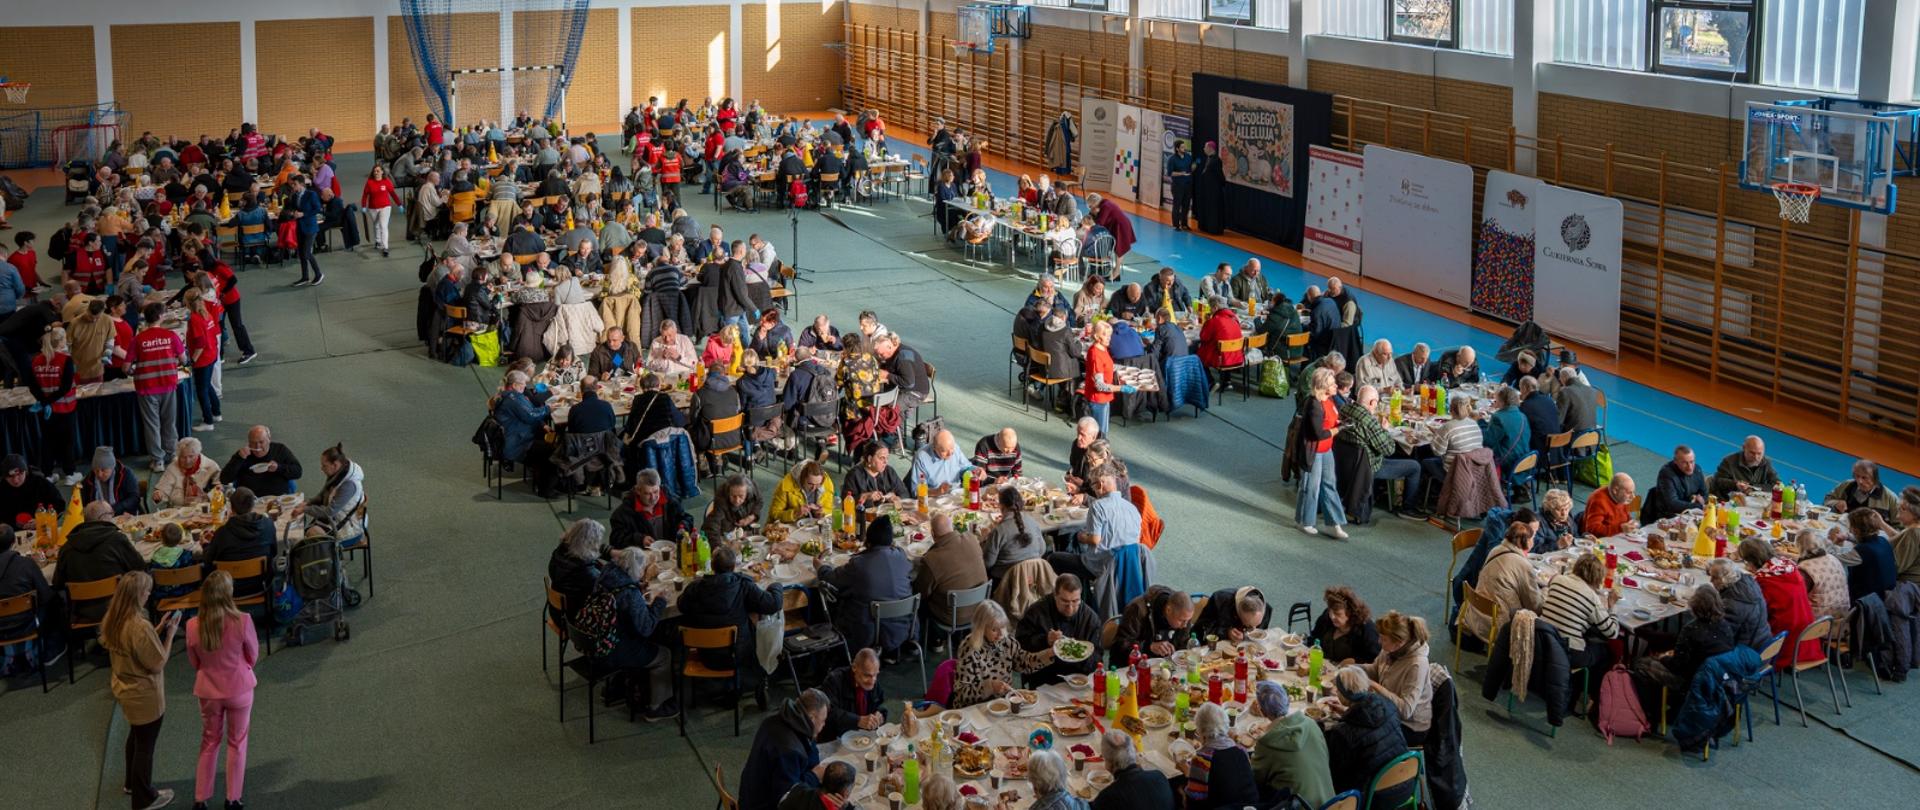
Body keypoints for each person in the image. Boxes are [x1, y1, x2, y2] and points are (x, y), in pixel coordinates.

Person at [100, 572, 179, 810]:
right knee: (146, 747)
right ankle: (144, 798)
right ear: (136, 596)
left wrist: (159, 627)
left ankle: (131, 784)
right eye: (146, 591)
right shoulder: (139, 626)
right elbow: (157, 662)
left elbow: (134, 646)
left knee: (136, 738)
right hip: (144, 693)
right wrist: (171, 634)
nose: (149, 594)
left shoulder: (114, 618)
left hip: (125, 689)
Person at [186, 572, 258, 810]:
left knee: (209, 741)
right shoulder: (243, 620)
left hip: (208, 691)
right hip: (239, 688)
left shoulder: (192, 625)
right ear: (229, 594)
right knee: (237, 742)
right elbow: (253, 655)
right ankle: (232, 798)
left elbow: (194, 662)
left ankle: (200, 799)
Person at [678, 544, 782, 682]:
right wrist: (776, 586)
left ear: (713, 566)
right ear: (733, 567)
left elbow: (681, 606)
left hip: (705, 655)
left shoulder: (695, 588)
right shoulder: (743, 585)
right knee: (754, 617)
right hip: (738, 655)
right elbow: (773, 605)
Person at [1631, 588, 1736, 713]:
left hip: (1691, 680)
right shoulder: (1725, 626)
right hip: (1717, 677)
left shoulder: (1692, 629)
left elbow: (1677, 665)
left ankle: (1650, 710)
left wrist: (1663, 657)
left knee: (1641, 664)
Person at [821, 519, 914, 657]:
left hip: (864, 634)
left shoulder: (859, 565)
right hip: (901, 629)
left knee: (833, 598)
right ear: (891, 541)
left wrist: (820, 566)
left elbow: (832, 580)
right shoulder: (901, 556)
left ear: (867, 541)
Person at [950, 599, 1055, 707]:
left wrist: (1048, 654)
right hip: (975, 708)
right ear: (981, 628)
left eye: (1003, 627)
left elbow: (1024, 662)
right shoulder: (969, 650)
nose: (1001, 634)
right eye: (994, 629)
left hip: (1002, 704)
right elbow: (962, 694)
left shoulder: (1006, 642)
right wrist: (990, 687)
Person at [1323, 666, 1409, 796]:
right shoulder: (1388, 705)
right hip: (1405, 782)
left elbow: (1335, 774)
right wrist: (1347, 712)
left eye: (1337, 690)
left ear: (1343, 695)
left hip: (1372, 797)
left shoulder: (1343, 733)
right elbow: (1371, 723)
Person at [737, 689, 829, 810]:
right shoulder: (789, 750)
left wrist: (812, 736)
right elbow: (788, 799)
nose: (824, 725)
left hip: (750, 794)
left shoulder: (775, 719)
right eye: (823, 720)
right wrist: (814, 776)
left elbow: (809, 755)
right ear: (811, 718)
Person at [1248, 681, 1335, 808]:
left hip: (1299, 806)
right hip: (1332, 803)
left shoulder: (1267, 744)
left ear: (1262, 711)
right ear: (1288, 701)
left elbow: (1256, 779)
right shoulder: (1310, 723)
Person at [1736, 538, 1820, 666]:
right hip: (1804, 629)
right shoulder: (1788, 566)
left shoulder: (1763, 581)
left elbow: (1757, 612)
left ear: (1752, 562)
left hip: (1783, 639)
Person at [1540, 554, 1622, 677]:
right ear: (1597, 578)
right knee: (1605, 651)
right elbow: (1612, 632)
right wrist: (1612, 607)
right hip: (1567, 651)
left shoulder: (1557, 579)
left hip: (1542, 640)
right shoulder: (1591, 597)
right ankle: (1588, 692)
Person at [1015, 574, 1103, 685]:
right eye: (1065, 601)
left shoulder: (1090, 618)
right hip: (1045, 677)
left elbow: (1098, 657)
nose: (1070, 608)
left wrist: (1083, 655)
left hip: (1078, 677)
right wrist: (1045, 640)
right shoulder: (1036, 612)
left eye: (1075, 601)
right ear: (1055, 595)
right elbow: (1020, 646)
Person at [132, 302, 187, 473]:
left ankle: (158, 461)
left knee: (152, 425)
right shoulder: (170, 336)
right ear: (160, 317)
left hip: (147, 388)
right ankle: (172, 455)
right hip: (168, 385)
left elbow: (126, 367)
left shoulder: (138, 339)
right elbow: (184, 359)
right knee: (169, 422)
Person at [1463, 521, 1541, 641]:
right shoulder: (1523, 564)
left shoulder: (1496, 550)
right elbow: (1534, 605)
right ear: (1523, 541)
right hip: (1498, 625)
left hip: (1475, 614)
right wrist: (1547, 591)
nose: (1533, 541)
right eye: (1532, 537)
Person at [1296, 368, 1349, 538]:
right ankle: (1305, 521)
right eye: (1333, 384)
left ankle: (1334, 523)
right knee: (1311, 487)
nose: (1336, 386)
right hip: (1314, 451)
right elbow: (1317, 433)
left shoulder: (1329, 400)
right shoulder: (1313, 404)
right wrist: (1337, 430)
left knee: (1329, 484)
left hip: (1326, 450)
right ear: (1324, 387)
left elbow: (1331, 419)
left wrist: (1339, 422)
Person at [914, 513, 989, 631]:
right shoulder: (972, 539)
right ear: (952, 528)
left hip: (952, 617)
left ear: (932, 534)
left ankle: (936, 640)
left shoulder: (932, 559)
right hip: (981, 608)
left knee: (921, 604)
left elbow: (921, 593)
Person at [1184, 702, 1259, 810]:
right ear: (1226, 725)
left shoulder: (1202, 759)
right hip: (1252, 807)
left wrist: (1187, 773)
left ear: (1200, 732)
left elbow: (1194, 802)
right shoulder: (1241, 750)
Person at [206, 488, 276, 597]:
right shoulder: (268, 524)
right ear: (253, 505)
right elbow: (274, 552)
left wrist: (206, 545)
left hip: (228, 589)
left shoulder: (222, 533)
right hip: (262, 584)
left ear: (232, 509)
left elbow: (208, 561)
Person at [1109, 586, 1194, 665]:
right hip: (1133, 666)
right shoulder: (1137, 610)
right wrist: (1149, 646)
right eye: (1181, 620)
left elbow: (1183, 646)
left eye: (1188, 620)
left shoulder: (1184, 613)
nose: (1185, 626)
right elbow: (1119, 645)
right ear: (1168, 610)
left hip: (1164, 666)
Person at [817, 648, 887, 741]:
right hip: (837, 738)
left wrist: (880, 714)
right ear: (854, 667)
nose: (872, 681)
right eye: (867, 675)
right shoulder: (834, 681)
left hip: (863, 738)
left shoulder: (872, 680)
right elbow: (829, 713)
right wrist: (858, 720)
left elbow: (880, 703)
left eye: (876, 675)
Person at [982, 486, 1047, 580]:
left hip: (1005, 581)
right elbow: (1042, 550)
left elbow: (987, 564)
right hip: (1031, 577)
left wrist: (985, 540)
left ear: (1001, 506)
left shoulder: (998, 531)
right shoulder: (1032, 521)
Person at [609, 470, 685, 549]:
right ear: (638, 490)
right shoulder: (623, 513)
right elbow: (616, 539)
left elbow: (685, 518)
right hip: (644, 556)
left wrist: (683, 527)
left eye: (656, 491)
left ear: (659, 487)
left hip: (670, 551)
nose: (653, 498)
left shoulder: (671, 502)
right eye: (647, 493)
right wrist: (639, 539)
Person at [220, 425, 303, 495]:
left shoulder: (280, 450)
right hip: (250, 502)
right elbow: (224, 479)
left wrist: (279, 468)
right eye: (253, 443)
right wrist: (238, 459)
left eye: (261, 442)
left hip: (277, 499)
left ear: (269, 439)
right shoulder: (243, 455)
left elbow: (298, 472)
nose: (257, 447)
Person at [1307, 586, 1380, 666]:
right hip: (1320, 664)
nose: (1332, 616)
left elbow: (1374, 659)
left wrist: (1355, 661)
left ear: (1351, 612)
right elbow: (1314, 636)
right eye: (1330, 611)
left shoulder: (1367, 629)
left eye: (1337, 614)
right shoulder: (1326, 616)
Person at [1795, 529, 1852, 623]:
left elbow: (1799, 597)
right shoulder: (1833, 558)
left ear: (1799, 547)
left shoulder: (1804, 569)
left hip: (1818, 624)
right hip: (1842, 618)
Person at [1642, 445, 1708, 523]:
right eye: (1684, 463)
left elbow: (1704, 493)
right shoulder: (1666, 474)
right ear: (1675, 461)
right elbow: (1672, 504)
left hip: (1689, 513)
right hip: (1668, 517)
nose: (1690, 467)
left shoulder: (1697, 470)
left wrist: (1702, 499)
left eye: (1692, 461)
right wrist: (1698, 506)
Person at [1845, 508, 1898, 600]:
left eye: (1851, 527)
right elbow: (1869, 542)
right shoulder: (1883, 540)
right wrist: (1848, 537)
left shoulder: (1861, 552)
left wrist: (1830, 545)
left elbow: (1835, 559)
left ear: (1855, 530)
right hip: (1888, 593)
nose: (1849, 529)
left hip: (1868, 600)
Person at [154, 437, 221, 508]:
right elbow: (163, 489)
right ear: (178, 456)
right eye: (183, 457)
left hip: (203, 508)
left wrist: (208, 496)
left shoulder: (210, 466)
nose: (187, 461)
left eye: (191, 456)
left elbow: (221, 487)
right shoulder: (173, 467)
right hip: (177, 510)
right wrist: (159, 495)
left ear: (198, 454)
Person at [0, 454, 64, 527]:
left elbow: (60, 505)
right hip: (13, 532)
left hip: (42, 527)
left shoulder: (40, 482)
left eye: (19, 474)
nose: (15, 480)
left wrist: (43, 520)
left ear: (25, 471)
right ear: (4, 477)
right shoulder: (2, 488)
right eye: (10, 477)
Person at [1710, 435, 1781, 499]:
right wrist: (1735, 484)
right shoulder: (1729, 461)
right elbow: (1718, 481)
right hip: (1730, 501)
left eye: (1759, 454)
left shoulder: (1766, 463)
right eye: (1752, 453)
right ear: (1744, 448)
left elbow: (1777, 484)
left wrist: (1753, 487)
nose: (1756, 457)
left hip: (1754, 501)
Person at [842, 439, 910, 505]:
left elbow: (904, 493)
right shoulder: (854, 475)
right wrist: (865, 497)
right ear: (870, 459)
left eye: (887, 458)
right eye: (882, 458)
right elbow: (845, 502)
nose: (886, 462)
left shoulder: (889, 471)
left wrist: (897, 498)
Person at [1194, 586, 1270, 643]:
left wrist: (1245, 635)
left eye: (1257, 624)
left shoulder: (1266, 608)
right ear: (1239, 612)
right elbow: (1200, 630)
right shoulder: (1219, 600)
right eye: (1249, 626)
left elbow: (1260, 636)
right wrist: (1226, 632)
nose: (1254, 629)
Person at [1825, 459, 1898, 517]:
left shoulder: (1890, 498)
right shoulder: (1847, 485)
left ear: (1875, 479)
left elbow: (1901, 528)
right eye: (1857, 476)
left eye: (1864, 478)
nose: (1860, 481)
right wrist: (1836, 503)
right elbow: (1827, 499)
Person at [1481, 386, 1531, 472]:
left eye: (1496, 400)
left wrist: (1480, 421)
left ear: (1502, 401)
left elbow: (1487, 441)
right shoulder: (1523, 416)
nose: (1495, 402)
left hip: (1507, 462)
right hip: (1524, 459)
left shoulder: (1498, 417)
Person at [769, 460, 834, 524]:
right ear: (802, 479)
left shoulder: (827, 483)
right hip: (789, 525)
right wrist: (795, 513)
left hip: (813, 526)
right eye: (810, 483)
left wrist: (821, 513)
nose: (814, 488)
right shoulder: (786, 484)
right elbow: (774, 514)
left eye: (818, 484)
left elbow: (830, 510)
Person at [910, 430, 974, 494]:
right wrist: (936, 492)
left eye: (952, 448)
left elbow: (966, 467)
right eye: (944, 451)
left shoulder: (955, 448)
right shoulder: (921, 457)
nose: (950, 453)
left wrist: (975, 471)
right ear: (934, 448)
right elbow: (916, 491)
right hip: (934, 498)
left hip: (957, 493)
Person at [702, 473, 763, 538]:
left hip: (745, 526)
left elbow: (759, 502)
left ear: (747, 492)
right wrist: (717, 547)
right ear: (728, 493)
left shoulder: (752, 489)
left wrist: (751, 517)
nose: (737, 500)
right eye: (733, 496)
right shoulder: (721, 497)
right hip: (725, 529)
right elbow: (714, 524)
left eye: (741, 496)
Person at [1554, 366, 1599, 433]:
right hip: (1593, 436)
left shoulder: (1565, 392)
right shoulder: (1592, 390)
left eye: (1560, 380)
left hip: (1574, 436)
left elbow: (1558, 420)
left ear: (1564, 378)